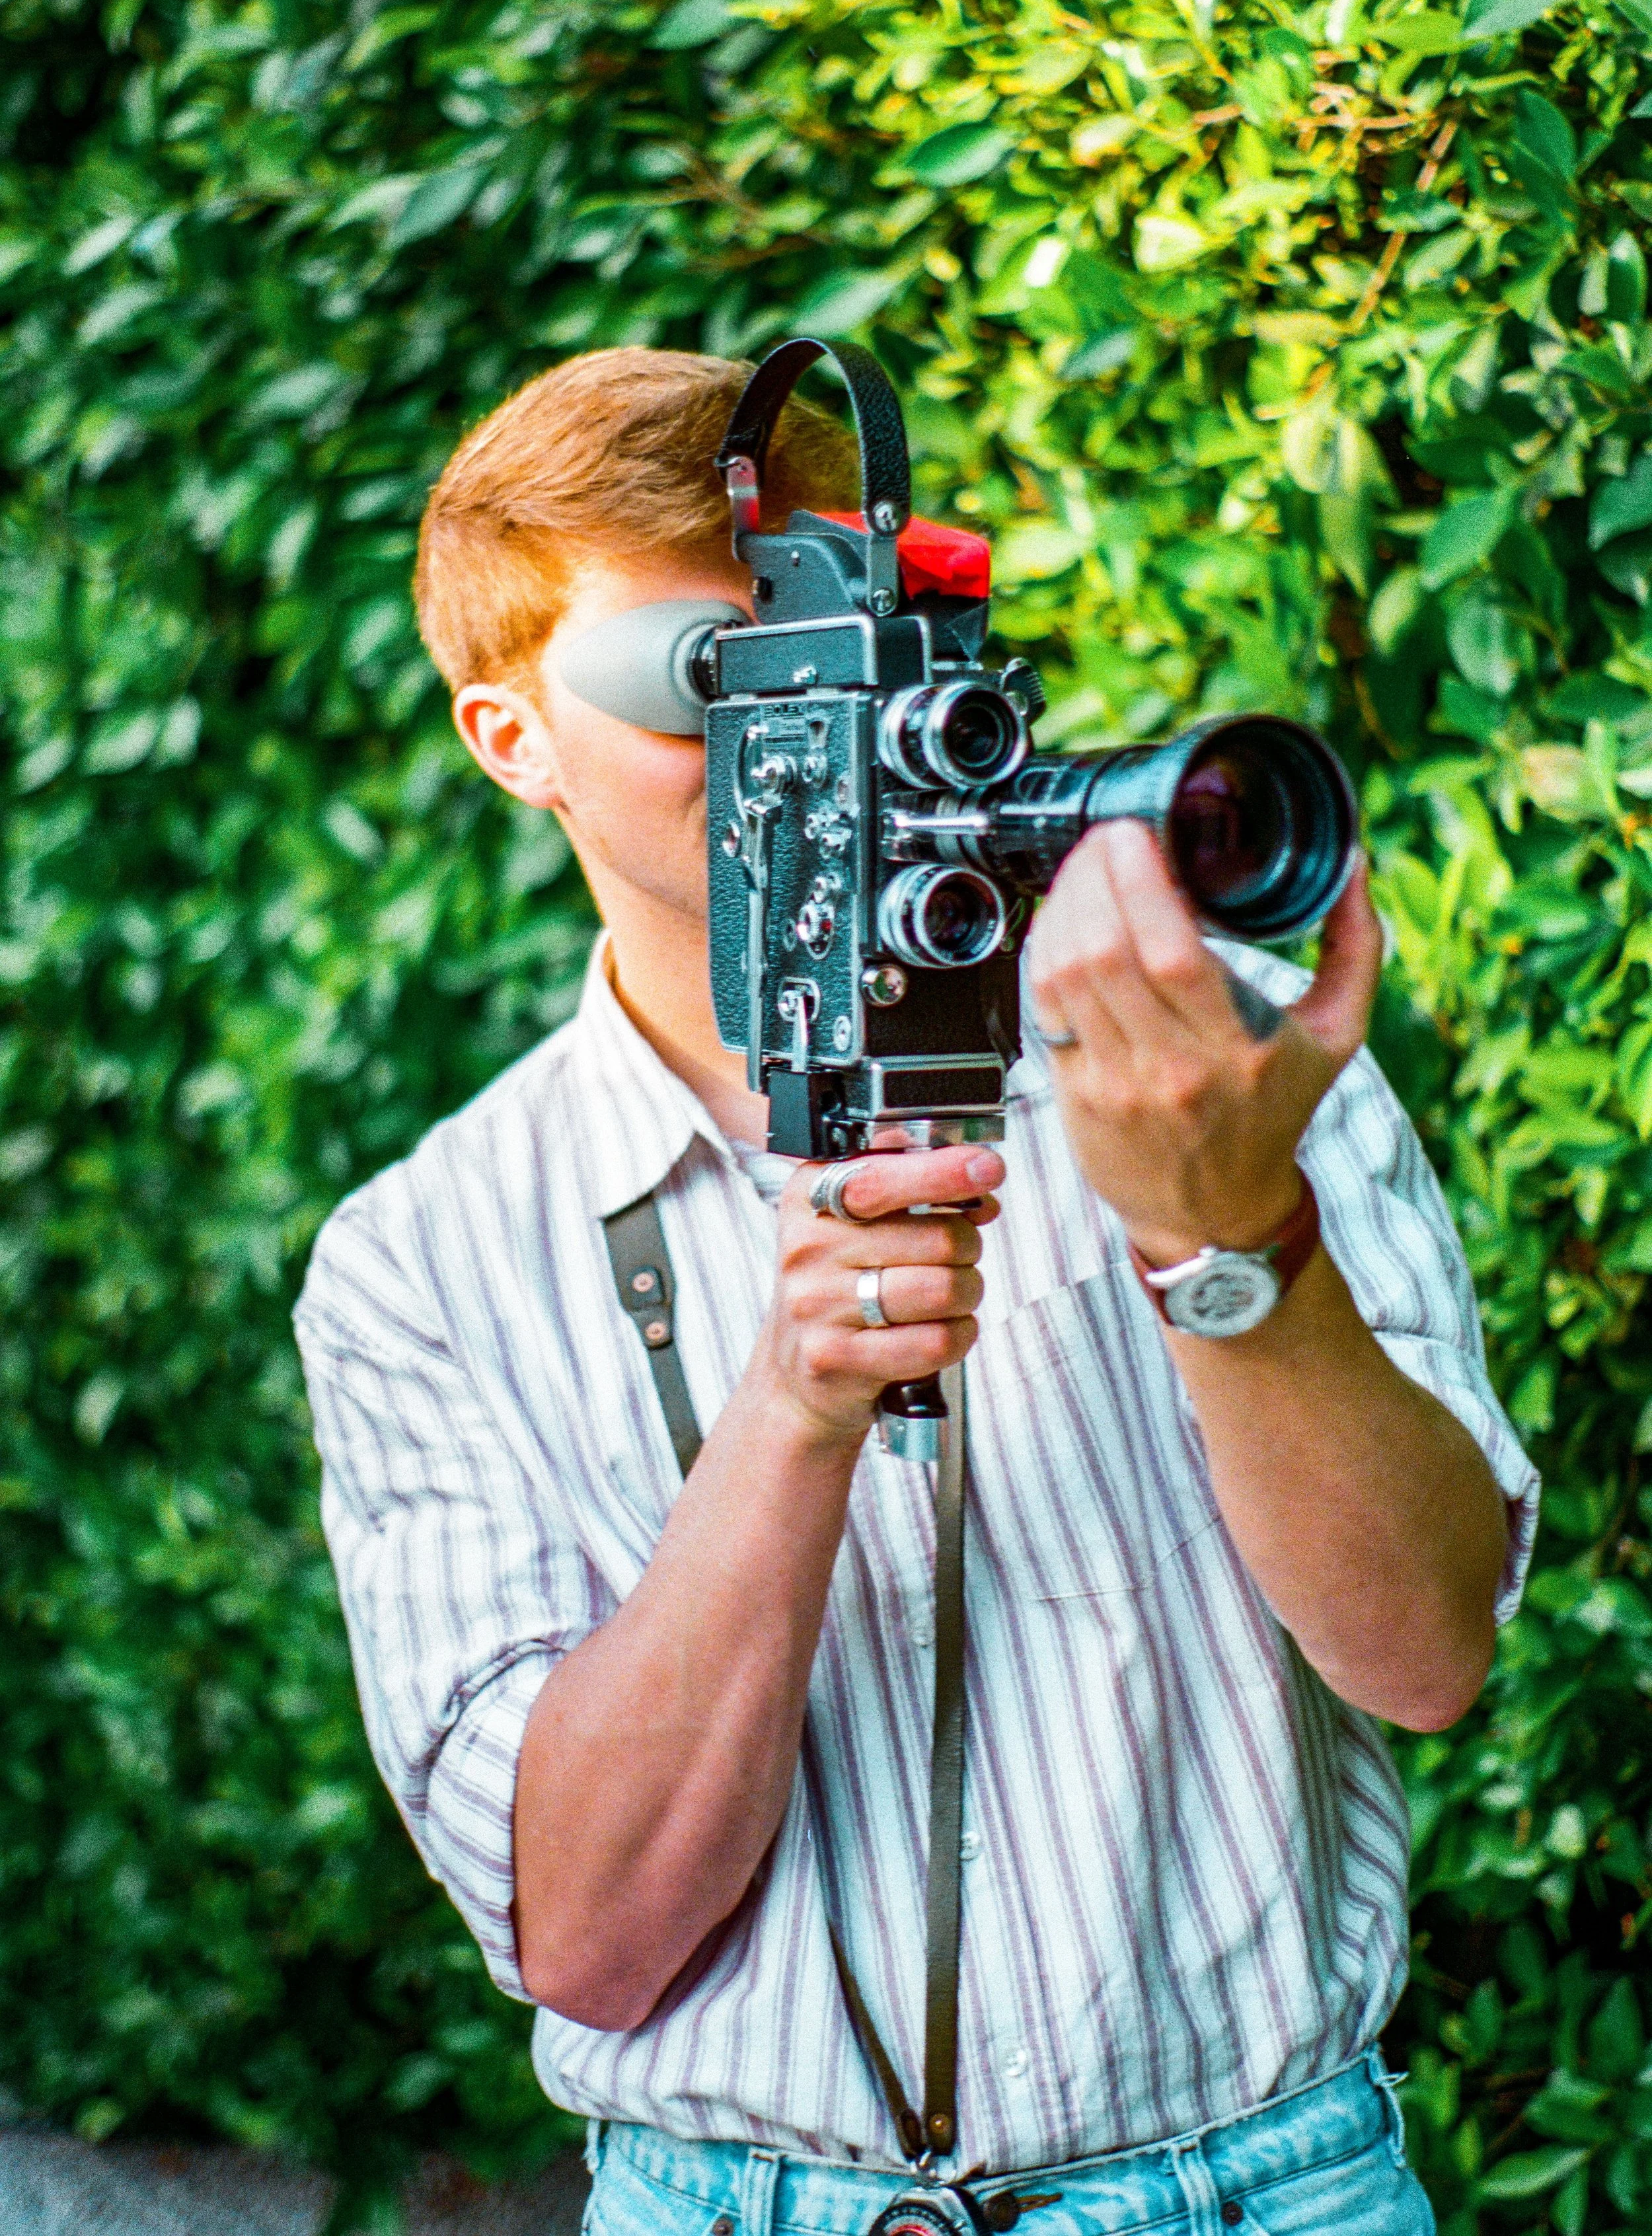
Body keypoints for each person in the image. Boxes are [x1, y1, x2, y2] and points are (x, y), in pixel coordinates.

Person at [294, 347, 1539, 2236]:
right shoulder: (427, 1258)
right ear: (513, 737)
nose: (814, 737)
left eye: (848, 657)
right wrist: (789, 1412)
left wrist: (1233, 1243)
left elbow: (1428, 1654)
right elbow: (595, 1937)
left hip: (1261, 2186)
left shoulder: (1201, 1061)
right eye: (716, 686)